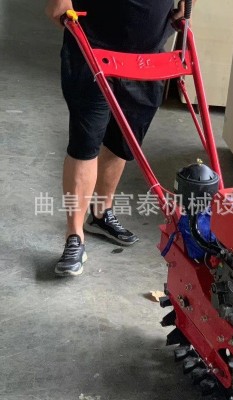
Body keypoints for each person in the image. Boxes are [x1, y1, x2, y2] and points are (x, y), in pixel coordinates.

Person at [45, 0, 190, 276]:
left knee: (124, 139)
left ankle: (100, 214)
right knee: (85, 142)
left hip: (148, 51)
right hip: (93, 43)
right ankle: (74, 236)